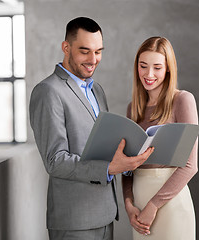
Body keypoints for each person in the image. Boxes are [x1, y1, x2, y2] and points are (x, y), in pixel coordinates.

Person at [29, 17, 154, 240]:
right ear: (66, 48)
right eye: (84, 51)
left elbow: (101, 146)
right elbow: (55, 161)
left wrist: (126, 160)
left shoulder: (97, 90)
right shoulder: (48, 91)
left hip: (105, 215)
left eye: (98, 51)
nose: (93, 59)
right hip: (74, 222)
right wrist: (109, 168)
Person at [122, 36, 199, 240]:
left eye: (157, 67)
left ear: (168, 68)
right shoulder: (133, 109)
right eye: (143, 66)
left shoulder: (182, 100)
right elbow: (128, 169)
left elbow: (190, 165)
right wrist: (129, 205)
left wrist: (154, 205)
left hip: (170, 204)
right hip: (139, 207)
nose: (149, 74)